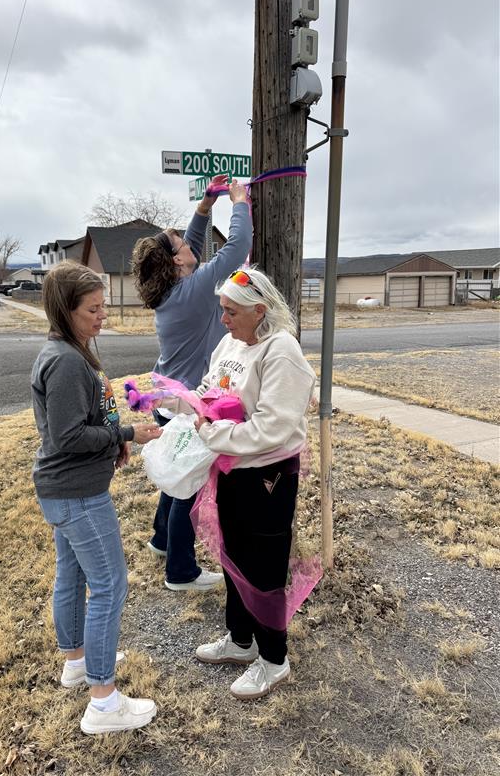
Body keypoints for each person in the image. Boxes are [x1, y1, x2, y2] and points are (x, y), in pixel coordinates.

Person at [171, 267, 317, 700]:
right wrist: (187, 404)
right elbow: (209, 388)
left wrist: (212, 434)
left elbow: (274, 426)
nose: (223, 320)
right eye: (222, 310)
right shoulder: (230, 343)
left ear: (260, 310)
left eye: (231, 311)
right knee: (232, 554)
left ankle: (274, 659)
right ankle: (240, 640)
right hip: (232, 467)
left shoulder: (282, 351)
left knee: (264, 563)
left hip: (268, 474)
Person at [31, 261, 162, 734]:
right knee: (109, 585)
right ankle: (104, 702)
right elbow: (66, 436)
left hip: (68, 490)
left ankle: (77, 662)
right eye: (93, 308)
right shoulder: (65, 361)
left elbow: (85, 421)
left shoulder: (72, 348)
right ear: (66, 311)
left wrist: (113, 439)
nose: (103, 315)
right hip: (77, 494)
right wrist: (127, 432)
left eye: (103, 305)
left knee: (72, 573)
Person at [131, 176, 252, 592]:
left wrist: (205, 205)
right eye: (181, 245)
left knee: (175, 470)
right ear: (176, 262)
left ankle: (162, 540)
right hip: (188, 404)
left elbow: (194, 249)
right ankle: (181, 572)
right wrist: (239, 202)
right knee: (188, 488)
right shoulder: (194, 290)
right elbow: (235, 250)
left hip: (169, 399)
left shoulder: (176, 291)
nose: (188, 245)